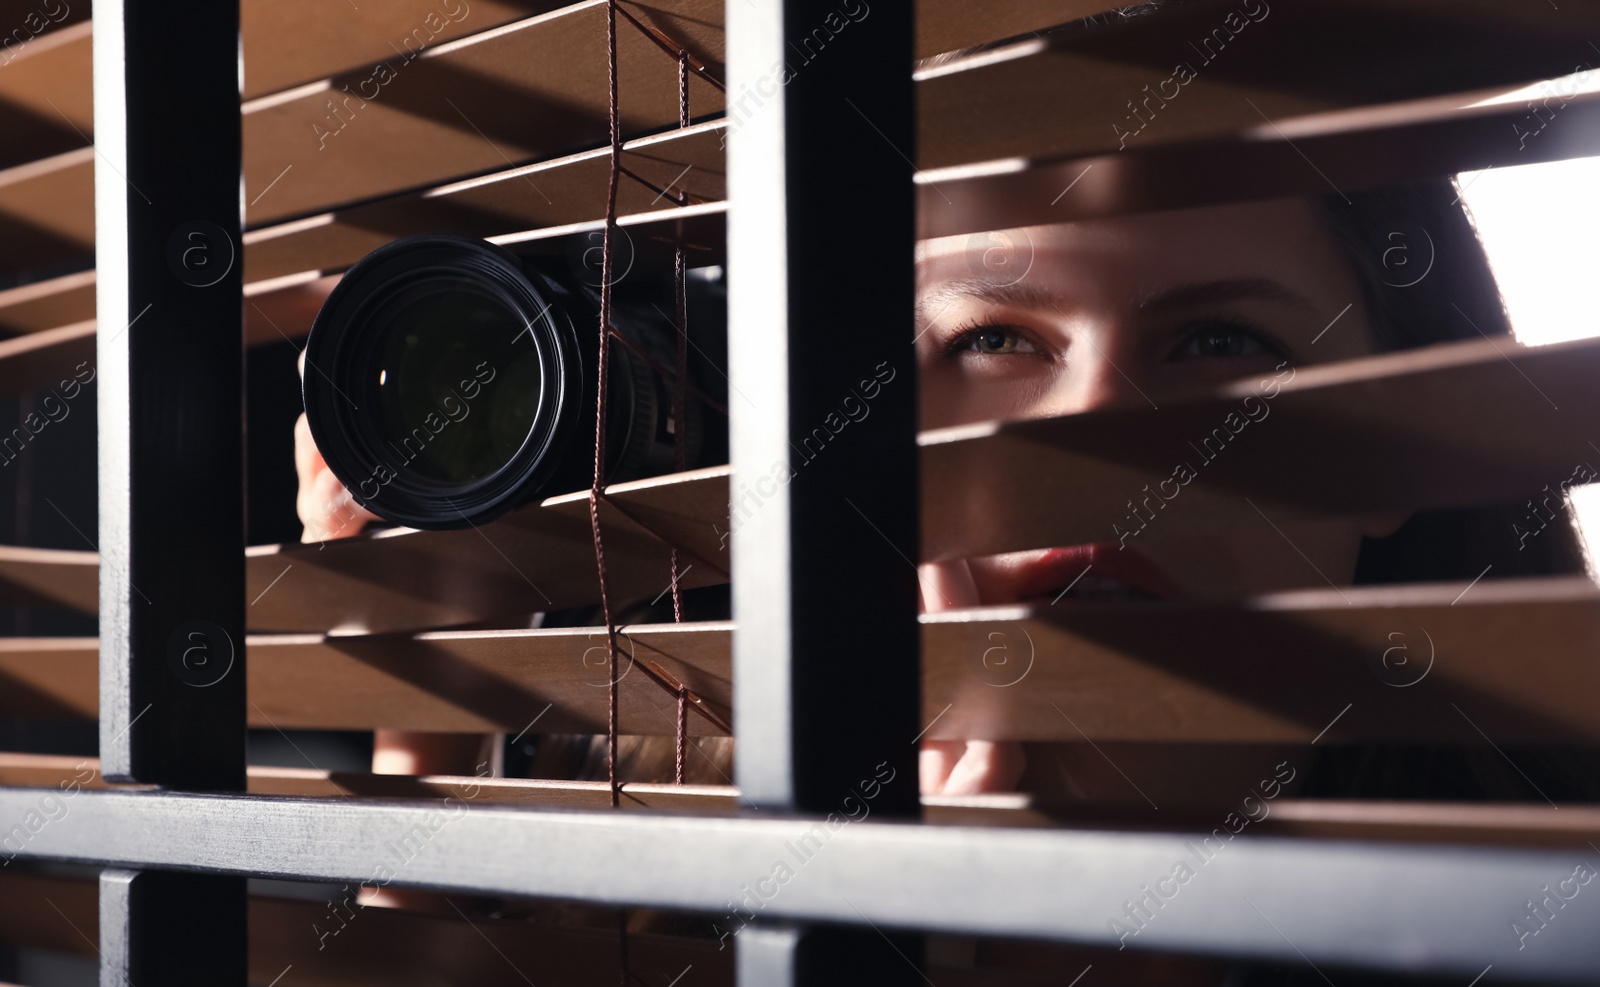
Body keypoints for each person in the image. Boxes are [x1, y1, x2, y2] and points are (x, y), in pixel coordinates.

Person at [295, 180, 1591, 797]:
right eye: (993, 342)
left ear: (1408, 450)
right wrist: (427, 743)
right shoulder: (651, 818)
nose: (1091, 429)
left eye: (1222, 343)